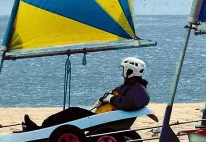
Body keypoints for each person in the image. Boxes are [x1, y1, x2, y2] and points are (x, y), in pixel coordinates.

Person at [22, 56, 150, 131]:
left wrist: (111, 99)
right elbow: (121, 99)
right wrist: (104, 99)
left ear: (130, 71)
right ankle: (41, 128)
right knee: (72, 113)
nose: (122, 71)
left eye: (123, 69)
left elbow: (130, 103)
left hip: (106, 121)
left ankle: (40, 129)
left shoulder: (139, 90)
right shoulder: (131, 86)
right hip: (102, 117)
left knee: (73, 112)